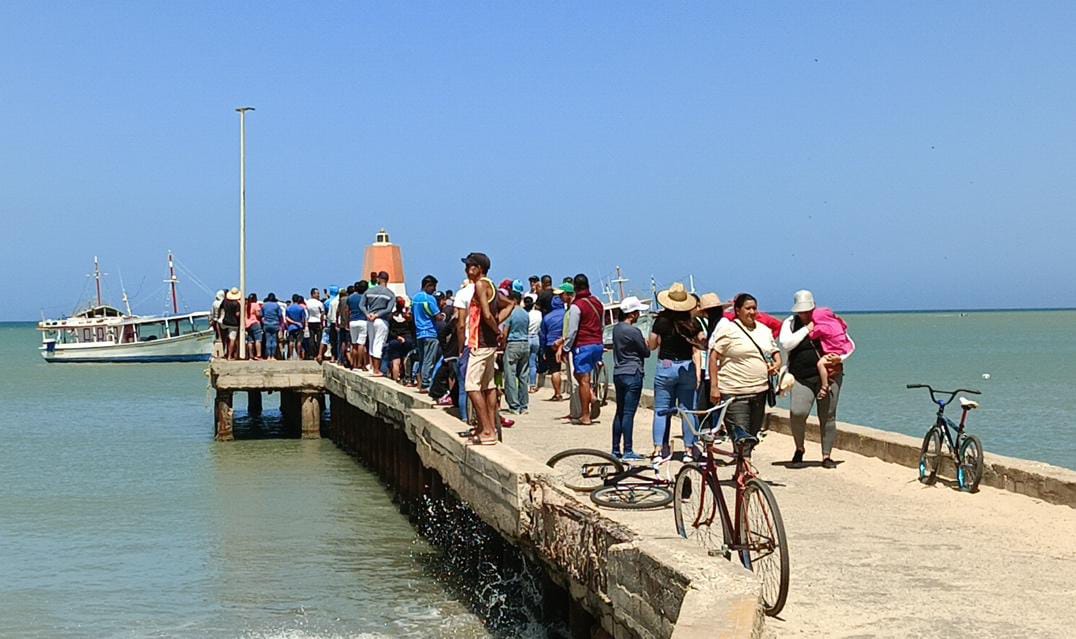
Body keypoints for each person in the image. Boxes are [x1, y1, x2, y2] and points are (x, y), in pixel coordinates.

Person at [779, 290, 853, 469]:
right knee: (798, 413)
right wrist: (807, 329)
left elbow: (848, 343)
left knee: (827, 415)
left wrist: (839, 359)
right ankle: (799, 448)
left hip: (830, 375)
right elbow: (786, 344)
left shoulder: (827, 320)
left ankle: (826, 455)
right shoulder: (790, 323)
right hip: (800, 377)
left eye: (807, 311)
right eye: (801, 311)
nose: (804, 314)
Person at [709, 293, 782, 451]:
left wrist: (777, 363)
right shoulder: (728, 329)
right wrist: (714, 387)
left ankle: (741, 472)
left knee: (752, 437)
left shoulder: (763, 330)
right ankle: (746, 473)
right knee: (741, 439)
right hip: (735, 392)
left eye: (754, 308)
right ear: (737, 310)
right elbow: (713, 356)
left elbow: (774, 351)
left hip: (759, 392)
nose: (752, 312)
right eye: (748, 308)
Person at [462, 252, 514, 445]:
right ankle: (489, 427)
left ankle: (487, 430)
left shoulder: (480, 284)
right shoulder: (491, 285)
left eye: (471, 266)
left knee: (471, 386)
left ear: (480, 269)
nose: (468, 270)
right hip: (489, 344)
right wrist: (497, 324)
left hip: (481, 342)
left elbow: (485, 314)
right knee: (488, 385)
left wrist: (495, 328)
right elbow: (510, 304)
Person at [649, 283, 703, 461]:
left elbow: (652, 345)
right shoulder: (691, 322)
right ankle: (689, 450)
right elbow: (702, 341)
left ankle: (659, 449)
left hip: (665, 366)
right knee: (688, 410)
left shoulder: (661, 321)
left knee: (661, 410)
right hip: (686, 366)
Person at [558, 273, 605, 425]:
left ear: (575, 289)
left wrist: (565, 348)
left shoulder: (577, 306)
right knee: (583, 377)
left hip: (583, 345)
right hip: (597, 344)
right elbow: (602, 325)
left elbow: (572, 331)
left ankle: (585, 415)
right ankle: (591, 396)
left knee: (583, 380)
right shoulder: (597, 303)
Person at [611, 296, 650, 461]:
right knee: (628, 413)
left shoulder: (616, 329)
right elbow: (646, 353)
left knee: (619, 411)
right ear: (632, 314)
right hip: (633, 372)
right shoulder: (634, 331)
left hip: (618, 372)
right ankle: (628, 450)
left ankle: (615, 448)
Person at [695, 293, 730, 412]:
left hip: (719, 374)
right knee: (705, 409)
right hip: (711, 373)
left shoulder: (723, 325)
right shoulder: (715, 325)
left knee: (709, 409)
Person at [809, 307, 854, 399]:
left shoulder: (821, 327)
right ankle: (828, 383)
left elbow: (812, 336)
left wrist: (810, 327)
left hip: (831, 353)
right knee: (831, 369)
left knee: (820, 364)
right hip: (841, 351)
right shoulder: (838, 324)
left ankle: (824, 386)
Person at [361, 271, 395, 377]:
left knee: (371, 342)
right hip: (381, 320)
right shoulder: (390, 294)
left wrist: (368, 314)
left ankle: (371, 366)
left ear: (378, 279)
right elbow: (389, 309)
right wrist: (378, 315)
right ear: (387, 280)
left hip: (370, 319)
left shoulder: (369, 291)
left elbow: (361, 305)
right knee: (379, 343)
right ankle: (376, 369)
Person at [502, 290, 531, 414]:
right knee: (524, 376)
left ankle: (514, 405)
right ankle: (524, 405)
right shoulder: (525, 313)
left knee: (510, 376)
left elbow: (505, 332)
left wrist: (503, 345)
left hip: (513, 344)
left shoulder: (511, 314)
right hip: (525, 343)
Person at [412, 275, 442, 392]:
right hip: (430, 332)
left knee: (422, 358)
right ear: (428, 286)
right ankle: (425, 383)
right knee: (429, 359)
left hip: (419, 333)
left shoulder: (415, 298)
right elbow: (437, 316)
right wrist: (443, 316)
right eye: (433, 287)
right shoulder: (429, 299)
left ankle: (419, 381)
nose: (434, 290)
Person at [540, 284, 569, 401]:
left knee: (555, 370)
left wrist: (542, 349)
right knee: (569, 367)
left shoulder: (547, 317)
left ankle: (557, 393)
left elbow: (542, 334)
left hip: (551, 344)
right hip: (565, 342)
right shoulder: (567, 314)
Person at [384, 297, 416, 381]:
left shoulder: (391, 316)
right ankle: (407, 378)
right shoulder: (408, 317)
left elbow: (389, 330)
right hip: (407, 340)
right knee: (406, 359)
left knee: (395, 361)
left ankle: (395, 379)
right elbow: (412, 329)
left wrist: (397, 337)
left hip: (395, 340)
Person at [525, 295, 542, 392]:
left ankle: (525, 384)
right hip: (536, 337)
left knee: (525, 364)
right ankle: (533, 385)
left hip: (526, 337)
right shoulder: (538, 314)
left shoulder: (524, 314)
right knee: (533, 363)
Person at [220, 287, 242, 360]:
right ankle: (230, 356)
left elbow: (221, 309)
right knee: (232, 339)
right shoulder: (237, 304)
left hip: (225, 322)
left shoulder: (224, 301)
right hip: (233, 323)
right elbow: (237, 314)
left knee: (226, 338)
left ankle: (225, 353)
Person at [285, 294, 307, 360]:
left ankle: (291, 356)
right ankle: (298, 356)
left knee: (291, 341)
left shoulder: (288, 308)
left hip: (291, 327)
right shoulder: (301, 308)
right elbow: (303, 319)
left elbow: (286, 318)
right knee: (299, 342)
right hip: (299, 327)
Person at [261, 293, 284, 359]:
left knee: (268, 340)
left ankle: (268, 356)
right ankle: (273, 356)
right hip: (275, 324)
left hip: (266, 324)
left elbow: (261, 315)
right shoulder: (277, 305)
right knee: (274, 340)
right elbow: (280, 315)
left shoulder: (264, 305)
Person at [245, 293, 263, 360]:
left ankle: (251, 356)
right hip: (255, 323)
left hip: (247, 324)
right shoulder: (256, 305)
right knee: (258, 340)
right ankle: (258, 355)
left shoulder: (246, 305)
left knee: (250, 341)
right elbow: (258, 314)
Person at [306, 288, 325, 356]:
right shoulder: (319, 303)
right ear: (313, 294)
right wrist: (322, 322)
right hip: (317, 321)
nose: (318, 295)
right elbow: (322, 313)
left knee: (311, 338)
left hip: (310, 321)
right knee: (319, 338)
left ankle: (312, 353)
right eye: (317, 293)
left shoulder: (307, 303)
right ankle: (317, 352)